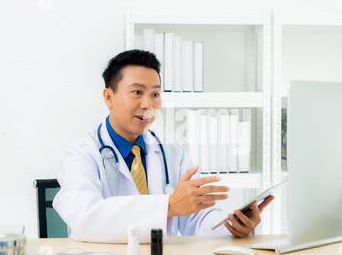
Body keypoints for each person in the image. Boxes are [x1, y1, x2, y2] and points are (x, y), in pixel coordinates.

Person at [53, 49, 274, 242]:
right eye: (137, 92)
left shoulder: (170, 150)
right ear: (109, 97)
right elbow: (85, 218)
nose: (148, 104)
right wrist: (168, 206)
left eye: (155, 94)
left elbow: (195, 217)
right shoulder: (81, 155)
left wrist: (231, 227)